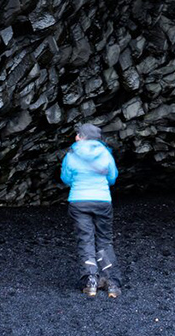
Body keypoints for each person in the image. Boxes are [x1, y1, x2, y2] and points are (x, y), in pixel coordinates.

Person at [60, 123, 121, 298]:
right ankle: (112, 284)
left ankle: (91, 281)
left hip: (79, 201)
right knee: (104, 240)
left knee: (85, 239)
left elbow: (65, 177)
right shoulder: (105, 153)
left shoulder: (72, 154)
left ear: (83, 137)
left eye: (78, 134)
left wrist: (79, 183)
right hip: (102, 200)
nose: (76, 137)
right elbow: (112, 177)